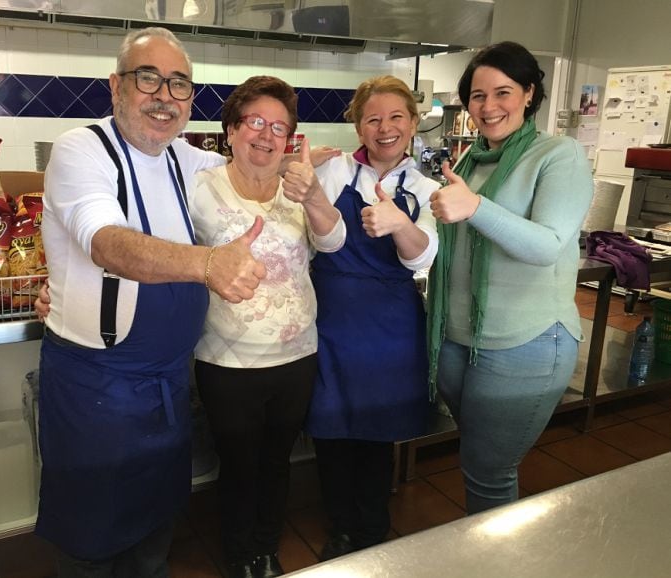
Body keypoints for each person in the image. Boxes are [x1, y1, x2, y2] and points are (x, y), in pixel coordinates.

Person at [35, 27, 267, 578]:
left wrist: (313, 162)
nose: (165, 96)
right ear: (116, 86)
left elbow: (253, 167)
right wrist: (208, 264)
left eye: (180, 84)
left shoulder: (185, 161)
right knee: (91, 544)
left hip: (166, 380)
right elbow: (107, 245)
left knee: (154, 531)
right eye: (149, 78)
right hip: (97, 386)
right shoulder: (81, 150)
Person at [427, 41, 594, 515]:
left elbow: (545, 246)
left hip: (526, 343)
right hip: (460, 342)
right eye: (477, 96)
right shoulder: (470, 161)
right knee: (477, 457)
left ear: (528, 93)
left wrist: (476, 208)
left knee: (489, 470)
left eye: (502, 92)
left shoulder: (557, 155)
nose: (488, 107)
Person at [189, 76, 345, 578]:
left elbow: (334, 242)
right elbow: (165, 252)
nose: (265, 134)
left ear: (289, 139)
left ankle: (266, 547)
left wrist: (315, 194)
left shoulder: (298, 187)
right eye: (254, 121)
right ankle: (238, 555)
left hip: (296, 355)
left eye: (278, 127)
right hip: (226, 360)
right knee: (237, 464)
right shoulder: (200, 189)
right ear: (230, 130)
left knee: (277, 460)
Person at [303, 75, 440, 559]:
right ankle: (340, 526)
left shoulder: (426, 188)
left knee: (377, 434)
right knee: (331, 429)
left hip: (391, 325)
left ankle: (371, 527)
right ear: (358, 126)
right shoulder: (332, 169)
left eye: (396, 117)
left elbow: (421, 257)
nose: (385, 128)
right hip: (330, 317)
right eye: (373, 118)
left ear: (413, 122)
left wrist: (402, 225)